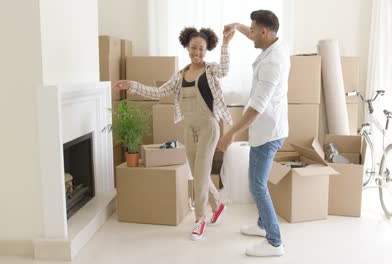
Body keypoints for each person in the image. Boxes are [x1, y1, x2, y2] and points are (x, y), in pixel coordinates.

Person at [114, 27, 234, 241]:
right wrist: (131, 85)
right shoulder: (180, 76)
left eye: (202, 49)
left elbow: (225, 69)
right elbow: (158, 92)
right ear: (187, 47)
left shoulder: (211, 70)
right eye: (194, 47)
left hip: (208, 127)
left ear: (207, 50)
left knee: (200, 172)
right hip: (189, 128)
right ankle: (217, 205)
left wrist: (225, 44)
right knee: (199, 174)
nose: (197, 52)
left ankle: (200, 219)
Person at [218, 10, 290, 257]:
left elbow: (256, 109)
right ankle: (262, 226)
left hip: (267, 130)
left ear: (264, 32)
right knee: (256, 182)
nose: (250, 33)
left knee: (258, 186)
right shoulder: (274, 45)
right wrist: (237, 26)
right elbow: (253, 36)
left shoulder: (272, 63)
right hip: (268, 127)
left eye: (252, 29)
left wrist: (230, 135)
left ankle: (274, 242)